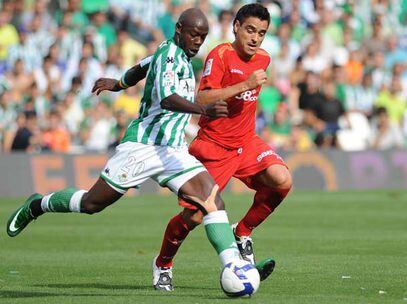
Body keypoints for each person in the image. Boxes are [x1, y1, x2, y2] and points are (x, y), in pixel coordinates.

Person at [6, 8, 247, 293]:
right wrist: (203, 109)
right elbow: (168, 99)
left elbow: (139, 68)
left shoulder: (174, 54)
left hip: (172, 150)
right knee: (92, 204)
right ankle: (37, 205)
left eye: (203, 37)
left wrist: (119, 84)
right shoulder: (168, 57)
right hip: (142, 146)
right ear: (179, 29)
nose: (198, 41)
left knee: (211, 199)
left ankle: (234, 266)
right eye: (194, 35)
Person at [92, 3, 293, 291]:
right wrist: (244, 84)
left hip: (246, 141)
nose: (255, 38)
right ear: (236, 27)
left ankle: (242, 232)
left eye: (261, 33)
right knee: (194, 216)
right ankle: (163, 263)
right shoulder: (220, 55)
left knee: (281, 180)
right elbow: (204, 97)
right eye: (250, 30)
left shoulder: (264, 58)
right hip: (214, 145)